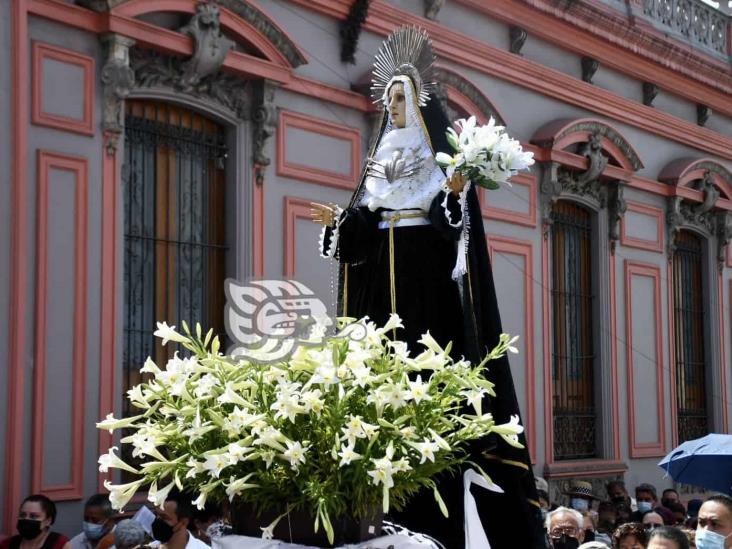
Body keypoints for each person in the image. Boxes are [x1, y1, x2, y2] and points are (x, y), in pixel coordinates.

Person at [311, 25, 542, 549]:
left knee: (426, 357)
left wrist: (456, 192)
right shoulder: (379, 159)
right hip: (378, 287)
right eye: (388, 97)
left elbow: (448, 223)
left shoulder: (438, 159)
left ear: (418, 103)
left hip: (424, 281)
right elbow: (363, 224)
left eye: (400, 97)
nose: (392, 105)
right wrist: (339, 227)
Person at [0, 494, 71, 549]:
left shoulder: (59, 544)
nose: (26, 519)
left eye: (33, 516)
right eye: (22, 515)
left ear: (48, 521)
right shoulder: (7, 545)